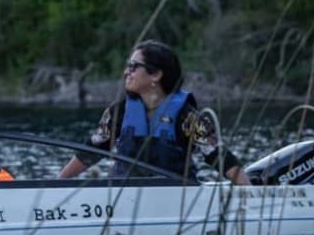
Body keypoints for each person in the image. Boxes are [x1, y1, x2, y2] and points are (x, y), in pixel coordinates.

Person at [58, 40, 250, 185]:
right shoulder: (119, 112)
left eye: (133, 66)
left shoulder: (187, 117)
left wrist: (251, 192)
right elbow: (91, 152)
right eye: (127, 66)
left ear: (156, 75)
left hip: (175, 199)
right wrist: (58, 183)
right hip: (122, 198)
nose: (127, 72)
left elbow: (219, 157)